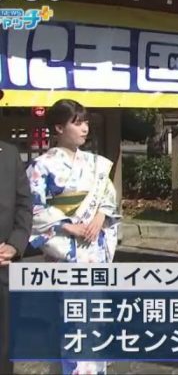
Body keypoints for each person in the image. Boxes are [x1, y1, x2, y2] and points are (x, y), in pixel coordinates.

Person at [26, 99, 121, 375]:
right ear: (59, 127)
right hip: (66, 251)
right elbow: (33, 209)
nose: (84, 128)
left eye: (86, 122)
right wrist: (68, 227)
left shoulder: (94, 163)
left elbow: (108, 197)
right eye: (77, 123)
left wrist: (100, 217)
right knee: (70, 318)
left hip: (95, 248)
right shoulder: (41, 166)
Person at [0, 140, 32, 374]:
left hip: (4, 264)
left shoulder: (9, 154)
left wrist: (15, 244)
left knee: (4, 343)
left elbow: (24, 205)